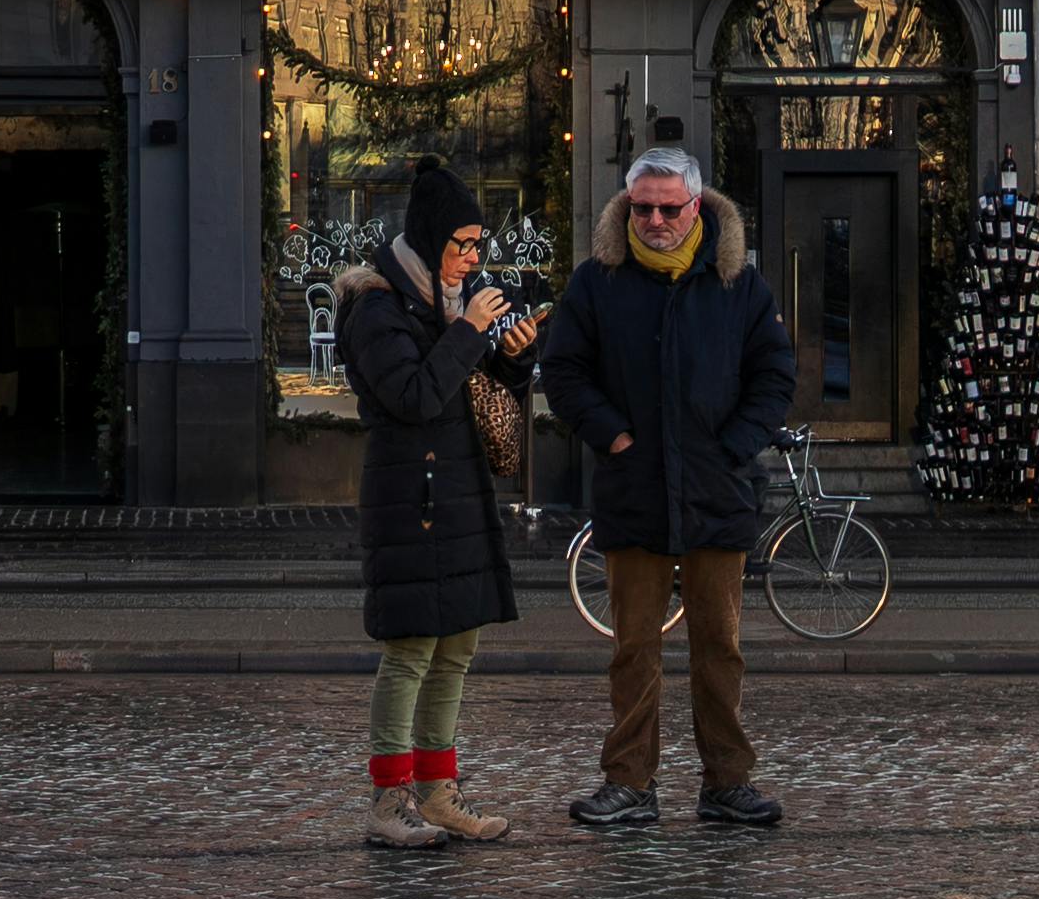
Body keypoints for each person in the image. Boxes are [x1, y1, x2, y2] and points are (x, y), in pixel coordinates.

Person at [536, 145, 794, 833]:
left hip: (718, 493)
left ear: (697, 206)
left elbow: (776, 375)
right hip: (634, 493)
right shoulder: (597, 282)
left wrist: (735, 444)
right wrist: (613, 434)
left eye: (667, 207)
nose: (653, 218)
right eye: (641, 207)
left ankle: (729, 781)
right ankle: (628, 781)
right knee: (633, 650)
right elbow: (562, 371)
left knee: (720, 647)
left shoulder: (740, 284)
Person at [334, 156, 542, 852]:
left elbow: (474, 394)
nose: (472, 257)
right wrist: (466, 332)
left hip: (459, 493)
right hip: (408, 499)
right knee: (411, 650)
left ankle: (438, 792)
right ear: (428, 239)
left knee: (457, 648)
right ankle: (389, 800)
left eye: (479, 243)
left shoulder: (451, 302)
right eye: (461, 244)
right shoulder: (377, 306)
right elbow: (415, 397)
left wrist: (512, 355)